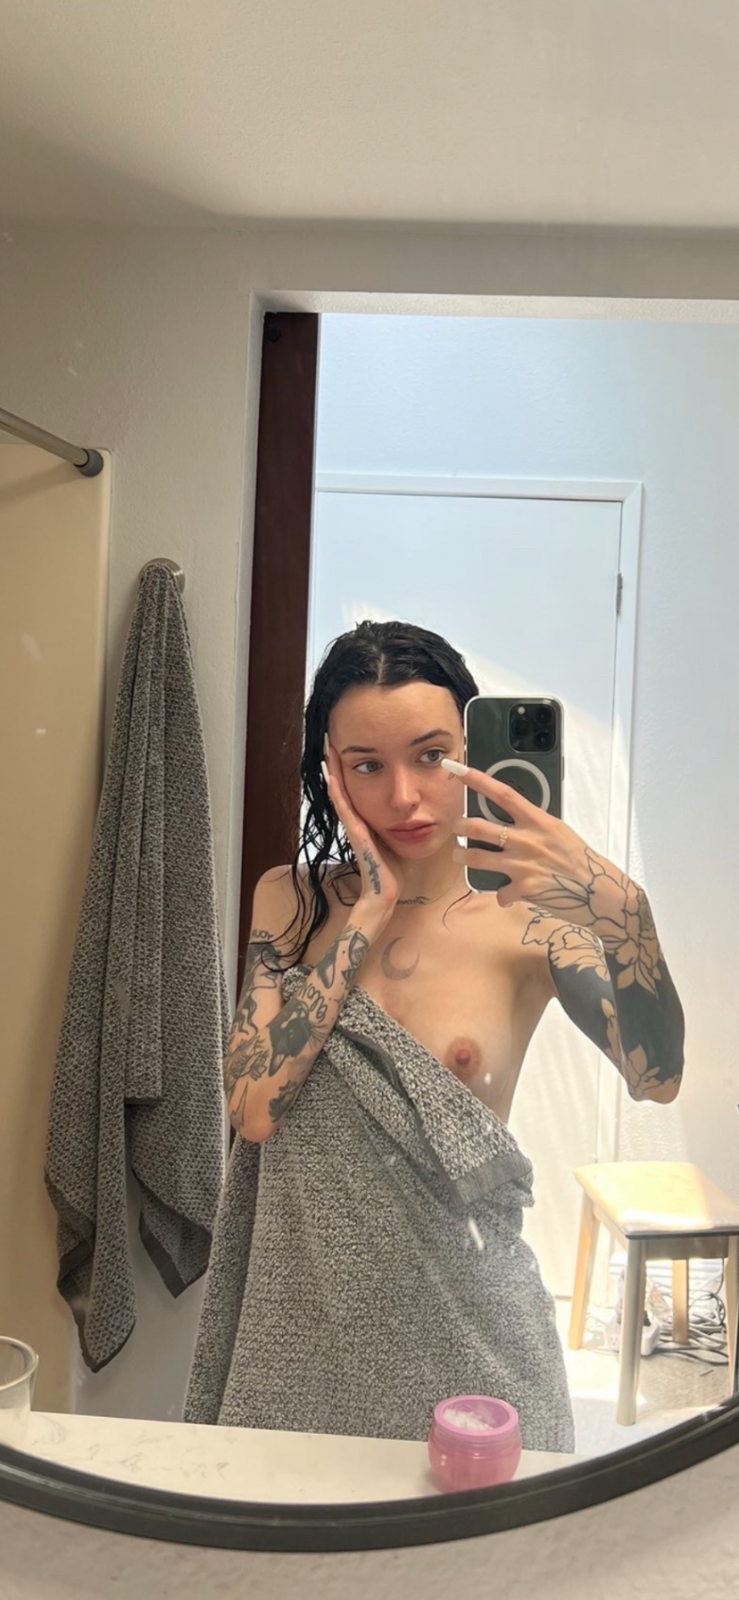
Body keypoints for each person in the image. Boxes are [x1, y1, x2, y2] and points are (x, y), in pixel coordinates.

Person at [185, 620, 685, 1452]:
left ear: (471, 753)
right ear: (328, 770)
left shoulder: (531, 922)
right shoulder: (290, 901)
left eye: (431, 757)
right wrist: (367, 916)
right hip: (298, 1335)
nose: (404, 798)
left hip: (476, 1344)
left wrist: (627, 915)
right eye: (366, 766)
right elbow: (253, 1107)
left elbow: (655, 1078)